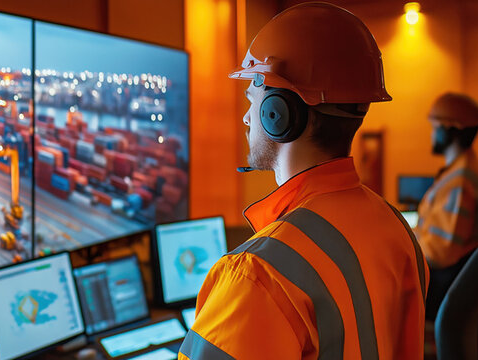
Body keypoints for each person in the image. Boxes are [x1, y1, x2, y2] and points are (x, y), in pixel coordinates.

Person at [178, 3, 428, 359]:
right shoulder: (394, 227)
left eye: (253, 98)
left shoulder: (259, 274)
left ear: (278, 113)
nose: (248, 118)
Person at [416, 92, 478, 321]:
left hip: (447, 289)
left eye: (434, 126)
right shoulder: (466, 172)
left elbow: (442, 253)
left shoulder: (461, 181)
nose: (431, 133)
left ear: (449, 130)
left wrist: (404, 245)